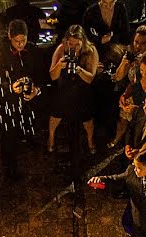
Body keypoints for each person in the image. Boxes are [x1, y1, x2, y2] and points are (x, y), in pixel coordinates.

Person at [0, 19, 45, 180]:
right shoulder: (0, 53)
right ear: (9, 37)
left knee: (31, 127)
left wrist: (36, 90)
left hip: (29, 100)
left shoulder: (34, 51)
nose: (20, 44)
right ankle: (10, 170)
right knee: (9, 136)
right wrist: (9, 87)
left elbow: (42, 75)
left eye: (23, 40)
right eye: (16, 41)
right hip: (9, 102)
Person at [48, 25, 99, 154]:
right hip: (64, 86)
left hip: (82, 87)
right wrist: (59, 65)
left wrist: (78, 69)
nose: (73, 47)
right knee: (55, 114)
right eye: (70, 43)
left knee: (87, 118)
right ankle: (51, 138)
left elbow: (90, 78)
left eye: (77, 45)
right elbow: (52, 76)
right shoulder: (62, 48)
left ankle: (90, 140)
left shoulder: (90, 50)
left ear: (83, 42)